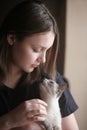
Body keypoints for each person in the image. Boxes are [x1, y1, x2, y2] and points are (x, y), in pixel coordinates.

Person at [0, 0, 79, 130]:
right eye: (37, 49)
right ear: (12, 38)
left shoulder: (50, 78)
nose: (43, 60)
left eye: (47, 50)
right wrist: (8, 121)